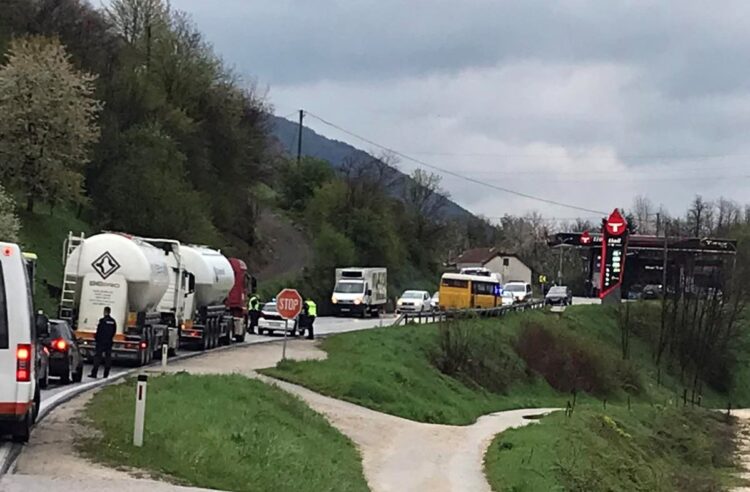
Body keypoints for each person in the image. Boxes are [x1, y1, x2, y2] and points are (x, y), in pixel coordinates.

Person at [89, 306, 116, 379]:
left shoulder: (102, 321)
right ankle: (106, 374)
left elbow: (99, 331)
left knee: (97, 357)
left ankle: (94, 373)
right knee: (108, 358)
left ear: (105, 312)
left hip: (101, 342)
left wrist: (97, 339)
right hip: (109, 342)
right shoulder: (113, 321)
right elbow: (114, 331)